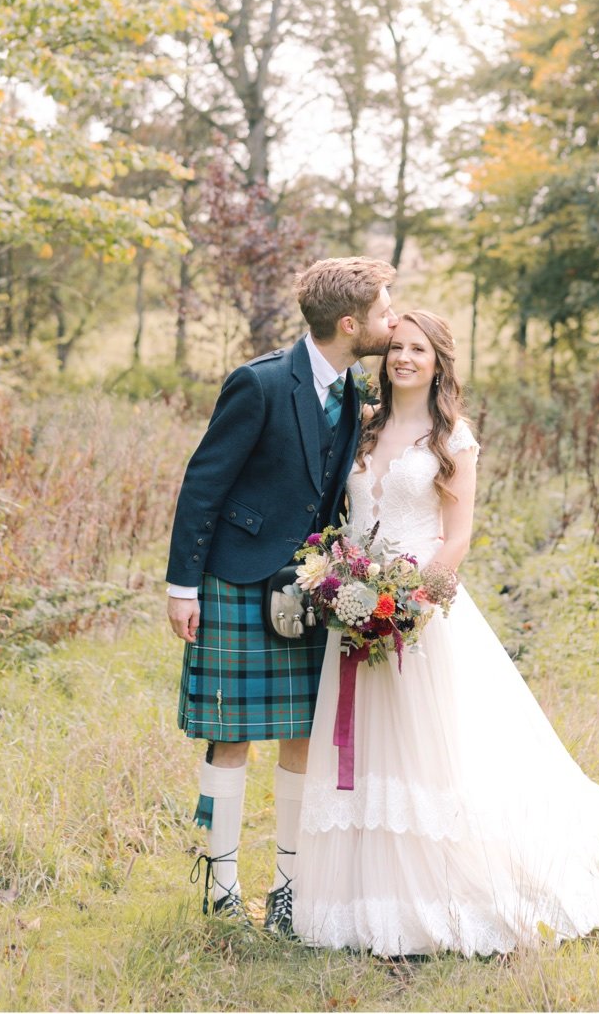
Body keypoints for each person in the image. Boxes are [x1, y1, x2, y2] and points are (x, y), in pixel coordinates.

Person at [292, 310, 599, 956]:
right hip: (356, 609)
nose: (403, 357)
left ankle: (438, 899)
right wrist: (349, 591)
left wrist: (403, 604)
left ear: (438, 360)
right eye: (395, 346)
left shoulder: (452, 437)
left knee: (427, 757)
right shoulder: (362, 425)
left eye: (417, 348)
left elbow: (456, 538)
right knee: (368, 755)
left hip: (417, 614)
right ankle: (365, 901)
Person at [165, 257, 398, 933]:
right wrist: (184, 585)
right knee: (230, 735)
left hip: (307, 585)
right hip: (234, 577)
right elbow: (202, 485)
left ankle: (291, 887)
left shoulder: (352, 389)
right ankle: (221, 885)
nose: (391, 320)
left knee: (302, 734)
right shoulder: (260, 382)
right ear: (351, 323)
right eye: (385, 311)